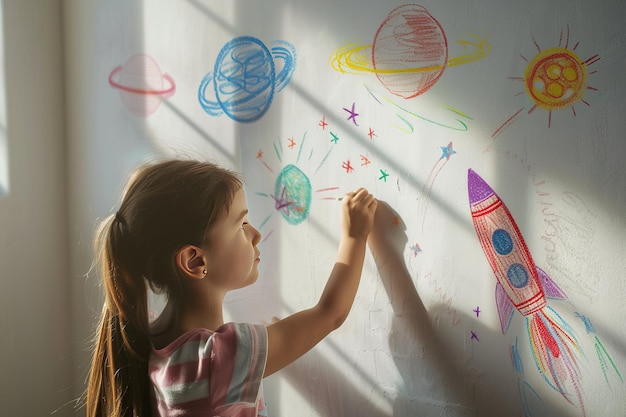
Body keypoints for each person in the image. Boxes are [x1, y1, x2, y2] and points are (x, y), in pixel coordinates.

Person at [85, 158, 378, 417]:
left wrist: (275, 339)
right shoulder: (223, 356)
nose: (256, 234)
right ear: (195, 260)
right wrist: (354, 236)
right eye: (242, 224)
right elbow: (330, 313)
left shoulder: (151, 340)